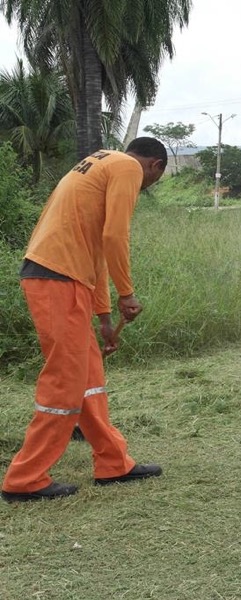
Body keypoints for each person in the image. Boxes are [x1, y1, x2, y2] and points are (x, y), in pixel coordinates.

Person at [1, 137, 168, 503]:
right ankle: (25, 479)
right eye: (153, 180)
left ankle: (113, 463)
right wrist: (127, 293)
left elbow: (95, 252)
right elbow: (114, 236)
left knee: (89, 376)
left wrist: (105, 317)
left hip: (62, 276)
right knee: (67, 377)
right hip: (56, 277)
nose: (146, 186)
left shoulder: (101, 161)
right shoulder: (127, 167)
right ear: (154, 165)